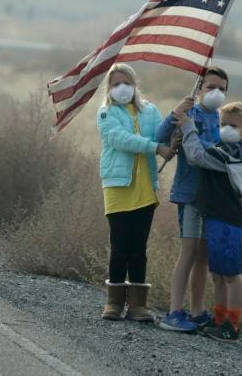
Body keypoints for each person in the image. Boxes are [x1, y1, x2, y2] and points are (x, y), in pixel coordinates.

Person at [173, 101, 242, 343]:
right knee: (218, 274)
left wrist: (189, 128)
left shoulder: (231, 153)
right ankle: (219, 318)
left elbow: (196, 156)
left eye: (233, 125)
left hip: (228, 221)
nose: (227, 128)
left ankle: (232, 324)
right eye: (223, 124)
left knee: (231, 275)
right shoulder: (222, 147)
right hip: (216, 219)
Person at [97, 63, 174, 322]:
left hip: (145, 189)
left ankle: (138, 306)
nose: (122, 88)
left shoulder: (150, 111)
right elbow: (119, 139)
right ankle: (114, 303)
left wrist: (178, 120)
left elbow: (162, 134)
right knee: (120, 246)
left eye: (126, 83)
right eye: (116, 84)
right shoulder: (106, 113)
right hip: (119, 187)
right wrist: (155, 147)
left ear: (134, 84)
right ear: (109, 88)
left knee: (139, 248)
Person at [157, 66, 229, 333]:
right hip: (190, 195)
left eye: (222, 89)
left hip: (212, 198)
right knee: (188, 253)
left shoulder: (221, 120)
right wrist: (177, 113)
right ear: (199, 90)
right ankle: (174, 311)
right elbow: (160, 137)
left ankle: (197, 311)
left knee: (203, 257)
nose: (216, 93)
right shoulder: (190, 114)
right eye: (211, 87)